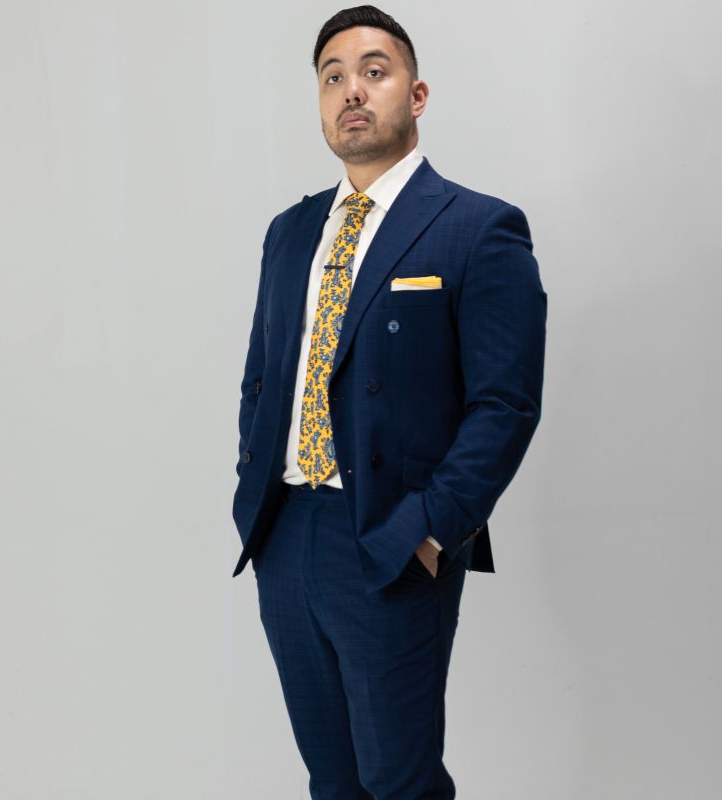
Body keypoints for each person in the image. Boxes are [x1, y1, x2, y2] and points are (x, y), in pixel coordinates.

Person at [231, 5, 547, 798]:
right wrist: (254, 496)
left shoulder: (478, 228)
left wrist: (430, 531)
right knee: (332, 779)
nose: (352, 91)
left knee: (398, 780)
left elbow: (504, 404)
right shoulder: (290, 231)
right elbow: (263, 377)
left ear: (417, 92)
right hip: (286, 533)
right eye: (332, 77)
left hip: (390, 537)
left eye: (374, 71)